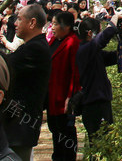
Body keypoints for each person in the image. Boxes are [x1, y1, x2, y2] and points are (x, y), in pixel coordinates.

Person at [4, 4, 52, 161]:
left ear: (32, 23)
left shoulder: (35, 48)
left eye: (19, 19)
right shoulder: (33, 46)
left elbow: (5, 65)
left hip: (20, 124)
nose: (15, 23)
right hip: (19, 123)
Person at [76, 17, 119, 140]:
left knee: (105, 141)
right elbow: (102, 39)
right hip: (93, 103)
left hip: (101, 102)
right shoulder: (83, 50)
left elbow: (115, 58)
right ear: (90, 33)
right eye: (99, 31)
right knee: (99, 142)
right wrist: (112, 23)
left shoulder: (92, 51)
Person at [47, 11, 80, 161]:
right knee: (55, 131)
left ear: (66, 26)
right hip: (52, 96)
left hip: (63, 98)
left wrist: (70, 96)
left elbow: (75, 72)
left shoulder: (72, 42)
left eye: (54, 23)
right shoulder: (54, 41)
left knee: (65, 134)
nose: (52, 27)